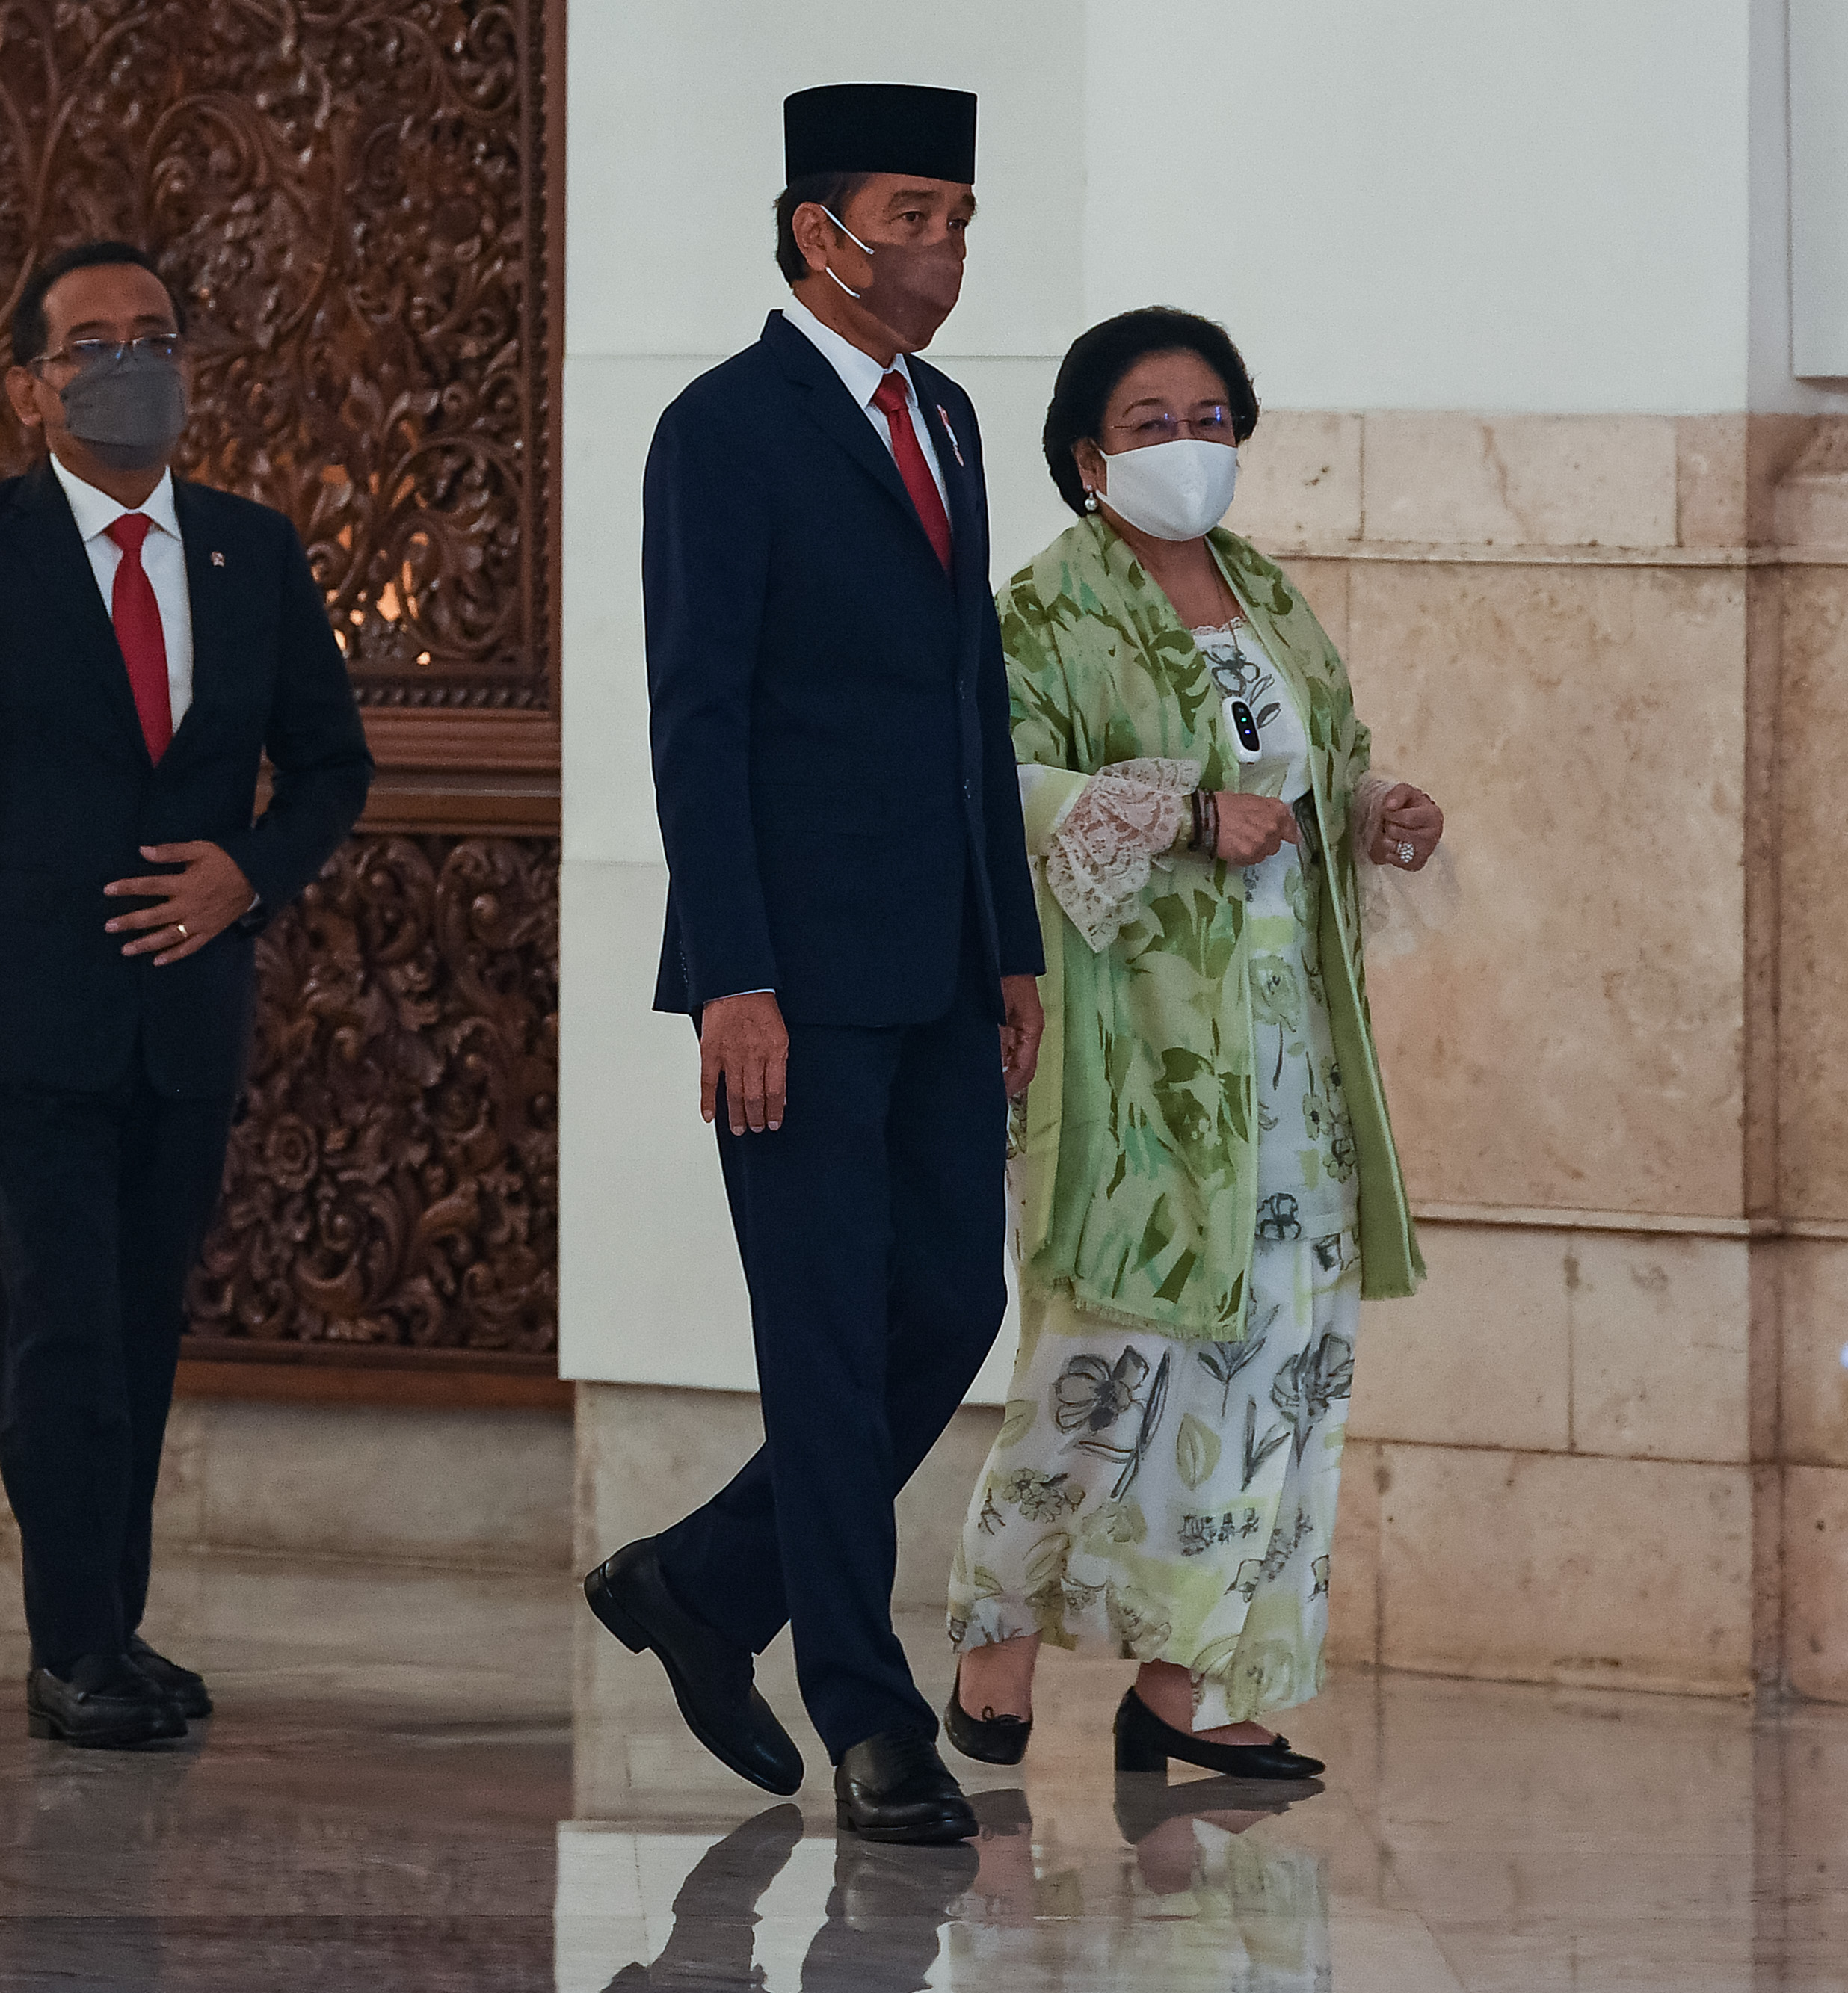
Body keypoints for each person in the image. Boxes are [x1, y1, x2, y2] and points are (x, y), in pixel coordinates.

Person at [582, 82, 1045, 1848]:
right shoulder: (724, 426)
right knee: (824, 1338)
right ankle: (866, 1709)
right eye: (909, 214)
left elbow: (961, 706)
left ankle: (700, 1578)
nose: (938, 252)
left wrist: (1004, 941)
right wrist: (731, 976)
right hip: (787, 970)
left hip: (937, 960)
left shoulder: (945, 415)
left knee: (944, 1306)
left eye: (956, 218)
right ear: (817, 233)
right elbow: (695, 718)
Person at [0, 240, 372, 1749]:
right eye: (91, 343)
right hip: (21, 1017)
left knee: (139, 1329)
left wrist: (246, 873)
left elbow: (333, 765)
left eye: (154, 336)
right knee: (59, 1329)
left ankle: (114, 1628)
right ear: (29, 388)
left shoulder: (250, 550)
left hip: (184, 1017)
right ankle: (70, 1645)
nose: (127, 362)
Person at [940, 307, 1441, 1782]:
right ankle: (991, 1653)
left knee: (1281, 1359)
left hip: (1290, 1061)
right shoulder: (1039, 612)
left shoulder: (1268, 600)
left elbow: (1317, 773)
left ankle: (1187, 1680)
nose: (1186, 445)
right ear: (1087, 457)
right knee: (1108, 1351)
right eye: (1149, 422)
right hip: (1138, 1060)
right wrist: (1166, 812)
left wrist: (1377, 812)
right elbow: (993, 792)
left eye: (1209, 416)